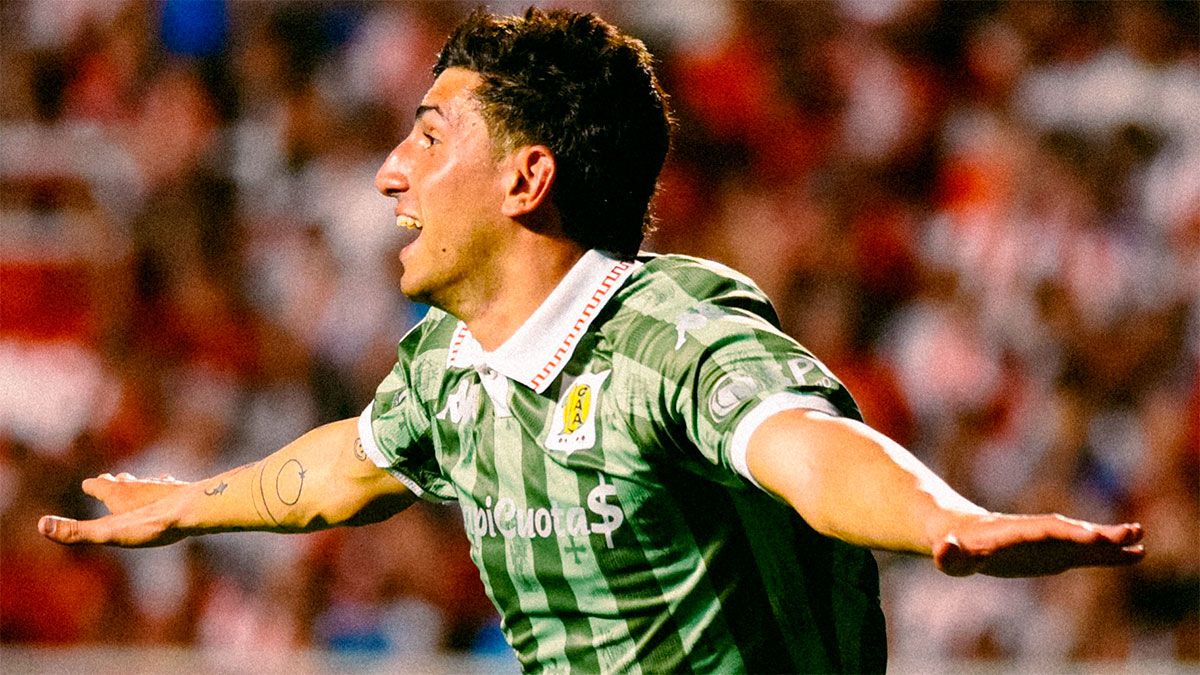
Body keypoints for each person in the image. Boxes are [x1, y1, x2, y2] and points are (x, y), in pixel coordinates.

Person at [39, 8, 1145, 673]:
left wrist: (945, 519)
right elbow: (347, 467)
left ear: (527, 178)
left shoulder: (669, 332)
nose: (389, 172)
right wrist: (191, 505)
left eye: (429, 137)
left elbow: (803, 449)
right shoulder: (447, 364)